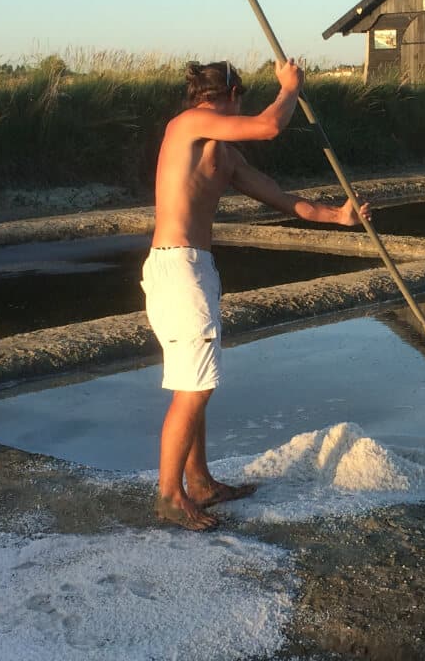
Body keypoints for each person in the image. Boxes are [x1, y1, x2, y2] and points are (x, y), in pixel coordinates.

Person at [141, 59, 369, 531]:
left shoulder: (224, 156)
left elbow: (284, 199)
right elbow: (268, 126)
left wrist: (339, 216)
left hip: (194, 267)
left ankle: (199, 481)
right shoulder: (189, 124)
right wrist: (289, 88)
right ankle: (168, 495)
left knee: (195, 380)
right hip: (178, 266)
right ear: (232, 94)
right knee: (195, 386)